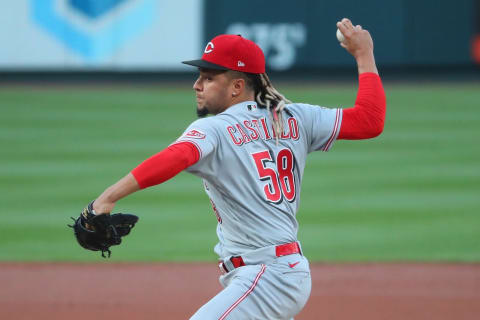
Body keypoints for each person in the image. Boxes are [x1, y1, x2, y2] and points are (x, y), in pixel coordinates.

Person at [90, 18, 386, 320]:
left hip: (267, 277)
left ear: (237, 86)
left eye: (208, 77)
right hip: (278, 272)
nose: (196, 85)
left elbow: (177, 156)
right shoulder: (296, 117)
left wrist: (107, 198)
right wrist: (364, 56)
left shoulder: (215, 128)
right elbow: (369, 120)